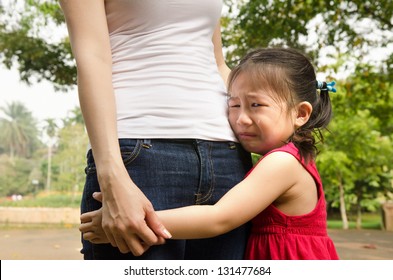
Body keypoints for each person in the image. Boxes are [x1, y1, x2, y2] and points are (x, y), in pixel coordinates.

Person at [80, 47, 340, 260]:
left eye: (256, 105)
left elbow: (219, 218)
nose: (241, 119)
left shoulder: (282, 163)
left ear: (301, 113)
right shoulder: (292, 159)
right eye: (234, 104)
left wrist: (135, 222)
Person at [59, 0, 252, 259]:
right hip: (139, 155)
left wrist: (282, 105)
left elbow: (218, 63)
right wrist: (112, 175)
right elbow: (92, 58)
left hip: (226, 155)